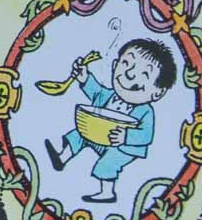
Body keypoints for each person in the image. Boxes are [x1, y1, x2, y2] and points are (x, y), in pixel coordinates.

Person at [45, 37, 176, 204]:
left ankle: (107, 192)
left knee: (108, 163)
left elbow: (146, 136)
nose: (129, 74)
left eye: (144, 74)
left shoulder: (145, 112)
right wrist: (85, 78)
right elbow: (96, 91)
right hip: (102, 135)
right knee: (80, 134)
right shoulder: (109, 95)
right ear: (115, 66)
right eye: (127, 64)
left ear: (158, 92)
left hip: (124, 147)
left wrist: (126, 137)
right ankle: (61, 158)